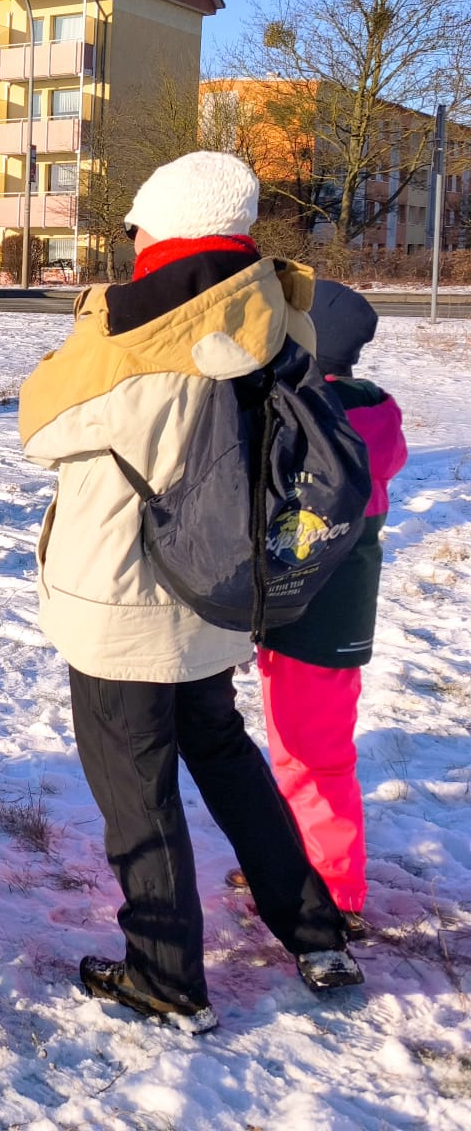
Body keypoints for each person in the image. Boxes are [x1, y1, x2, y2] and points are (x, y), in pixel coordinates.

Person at [18, 151, 360, 1034]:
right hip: (218, 592)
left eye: (138, 225)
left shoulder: (138, 332)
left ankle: (165, 976)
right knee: (225, 755)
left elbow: (40, 424)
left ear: (162, 228)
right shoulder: (279, 315)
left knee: (138, 790)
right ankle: (316, 934)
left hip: (124, 601)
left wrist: (92, 324)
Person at [248, 280, 407, 930]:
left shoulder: (316, 420)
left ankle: (336, 892)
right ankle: (298, 861)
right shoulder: (371, 412)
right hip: (330, 619)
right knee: (296, 749)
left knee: (314, 758)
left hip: (313, 619)